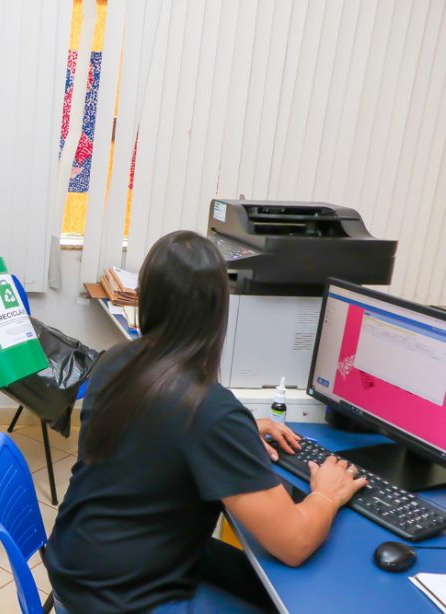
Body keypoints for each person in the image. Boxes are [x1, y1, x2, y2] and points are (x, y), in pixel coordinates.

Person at [45, 230, 367, 614]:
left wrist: (240, 430)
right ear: (218, 311)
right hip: (119, 600)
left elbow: (160, 434)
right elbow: (294, 542)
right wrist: (326, 495)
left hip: (78, 572)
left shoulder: (117, 360)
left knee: (253, 579)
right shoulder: (208, 410)